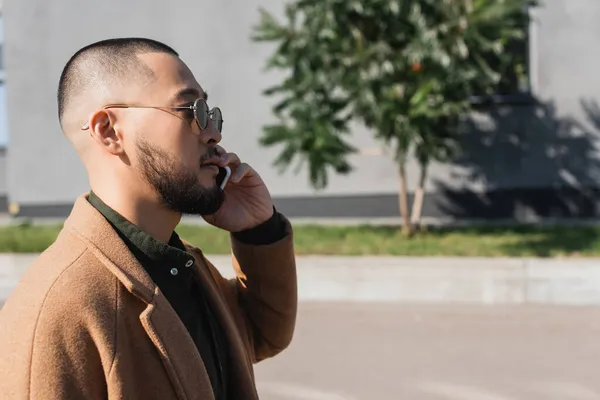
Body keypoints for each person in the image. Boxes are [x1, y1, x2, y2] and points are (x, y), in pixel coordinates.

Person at [0, 37, 297, 400]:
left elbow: (261, 334)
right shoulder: (60, 306)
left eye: (211, 111)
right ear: (108, 131)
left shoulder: (177, 263)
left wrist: (258, 231)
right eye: (191, 110)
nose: (214, 132)